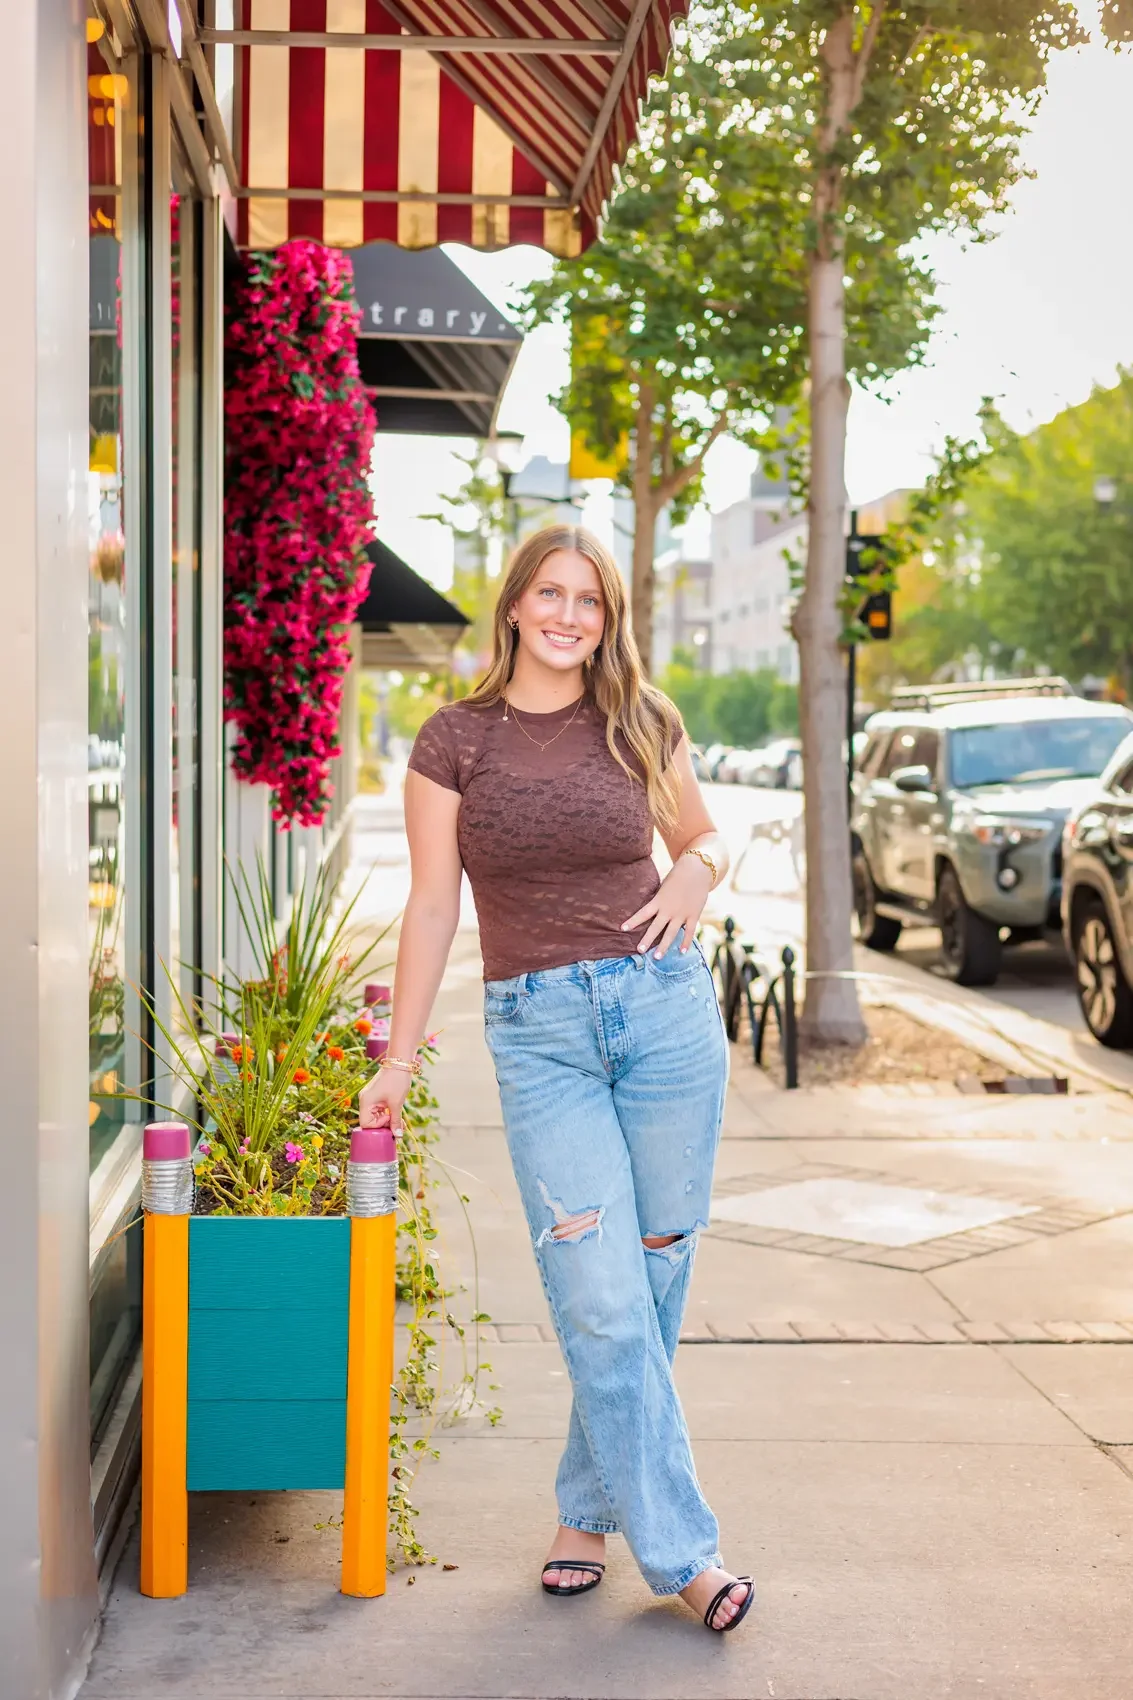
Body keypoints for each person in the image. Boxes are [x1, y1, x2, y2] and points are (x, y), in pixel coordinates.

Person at [359, 524, 753, 1634]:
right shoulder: (452, 742)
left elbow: (709, 837)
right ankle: (682, 1554)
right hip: (538, 1035)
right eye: (552, 592)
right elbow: (433, 905)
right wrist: (398, 1056)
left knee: (653, 1276)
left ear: (606, 616)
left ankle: (585, 1507)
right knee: (596, 1290)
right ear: (516, 605)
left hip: (666, 1013)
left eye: (590, 599)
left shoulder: (642, 718)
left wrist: (692, 863)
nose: (570, 614)